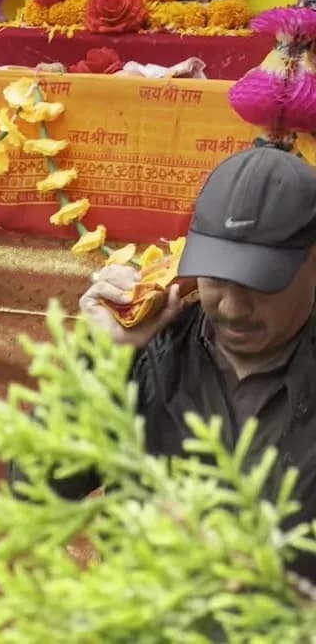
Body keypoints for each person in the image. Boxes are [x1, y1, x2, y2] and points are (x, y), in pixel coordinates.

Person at [79, 145, 316, 576]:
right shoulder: (150, 346)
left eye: (260, 283)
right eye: (216, 277)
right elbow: (38, 484)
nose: (231, 307)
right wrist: (101, 361)